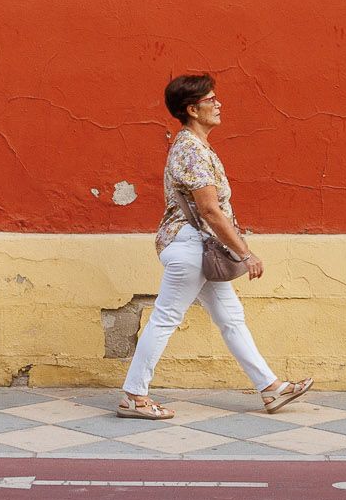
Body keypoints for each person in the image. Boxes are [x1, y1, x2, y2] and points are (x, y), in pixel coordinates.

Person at [117, 72, 316, 421]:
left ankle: (270, 388)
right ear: (192, 109)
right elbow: (210, 209)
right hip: (191, 246)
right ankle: (134, 395)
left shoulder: (198, 146)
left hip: (200, 248)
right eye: (211, 99)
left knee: (231, 318)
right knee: (165, 318)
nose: (218, 103)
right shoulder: (191, 150)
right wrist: (245, 253)